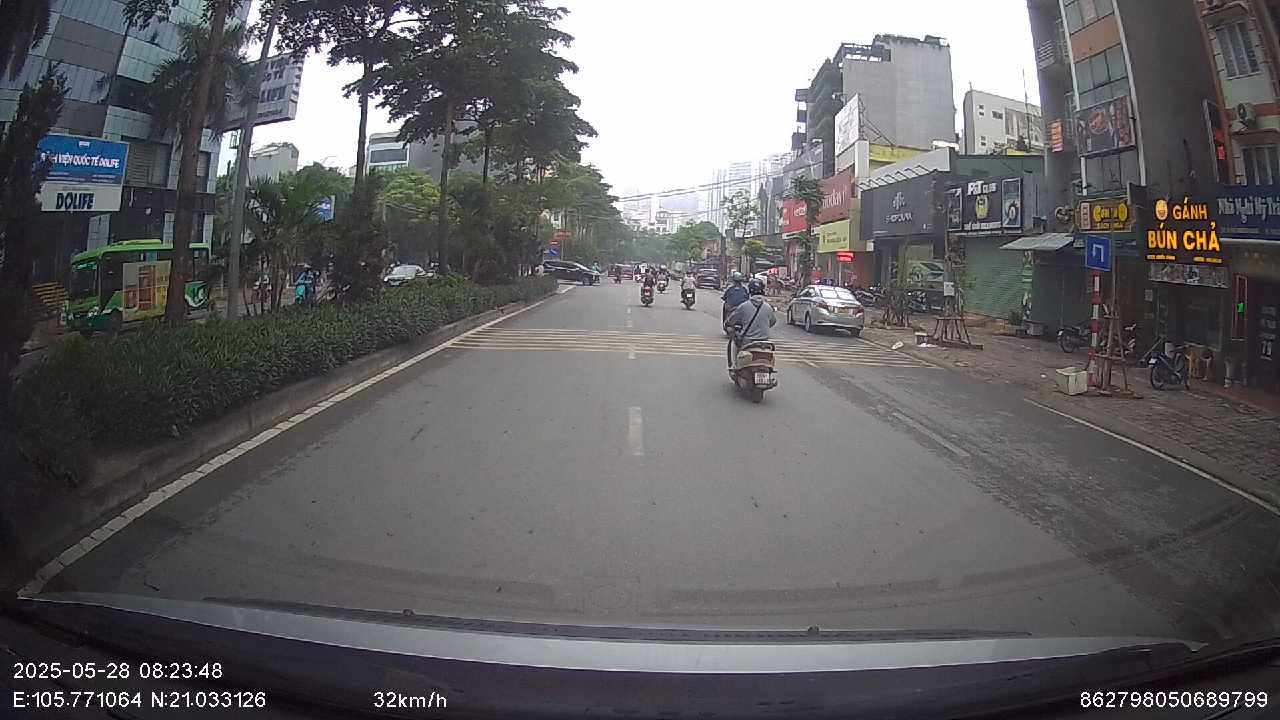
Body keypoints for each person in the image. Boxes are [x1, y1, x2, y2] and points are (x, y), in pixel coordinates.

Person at [724, 278, 776, 366]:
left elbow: (731, 320)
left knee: (735, 344)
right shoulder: (768, 307)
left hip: (747, 342)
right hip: (765, 342)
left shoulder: (744, 306)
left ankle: (736, 366)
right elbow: (772, 322)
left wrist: (728, 325)